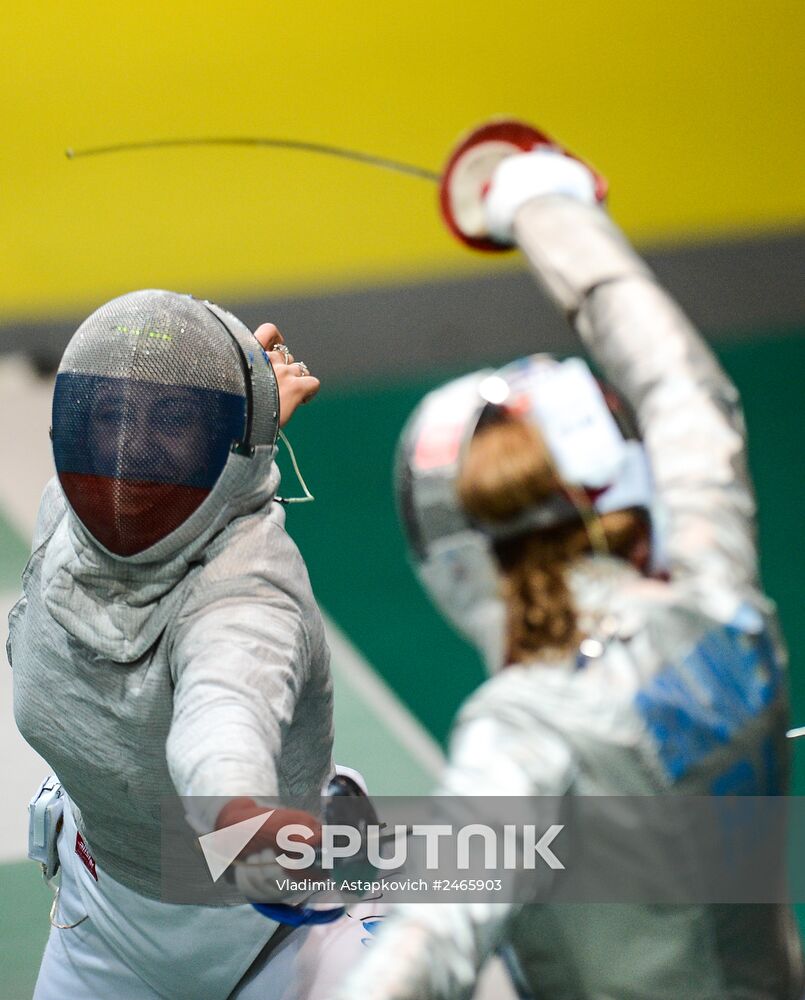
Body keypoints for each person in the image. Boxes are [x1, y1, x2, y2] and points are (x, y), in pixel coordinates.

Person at [337, 144, 804, 997]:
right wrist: (551, 212)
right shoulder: (719, 598)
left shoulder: (523, 729)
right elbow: (685, 391)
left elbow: (425, 942)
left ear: (450, 556)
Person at [8, 289, 378, 999]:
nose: (130, 451)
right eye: (114, 414)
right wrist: (245, 411)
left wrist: (238, 817)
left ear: (227, 450)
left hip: (280, 939)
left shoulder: (245, 597)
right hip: (103, 914)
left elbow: (222, 724)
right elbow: (170, 477)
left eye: (174, 422)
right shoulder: (72, 503)